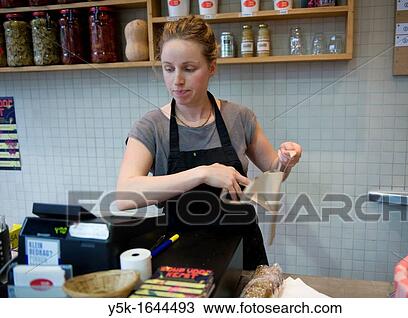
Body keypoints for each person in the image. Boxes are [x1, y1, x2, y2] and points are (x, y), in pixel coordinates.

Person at [116, 16, 302, 270]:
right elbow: (124, 196)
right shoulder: (151, 126)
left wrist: (285, 160)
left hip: (243, 253)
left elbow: (272, 175)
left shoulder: (239, 117)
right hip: (178, 258)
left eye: (189, 69)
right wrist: (203, 173)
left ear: (211, 67)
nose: (177, 80)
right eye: (168, 68)